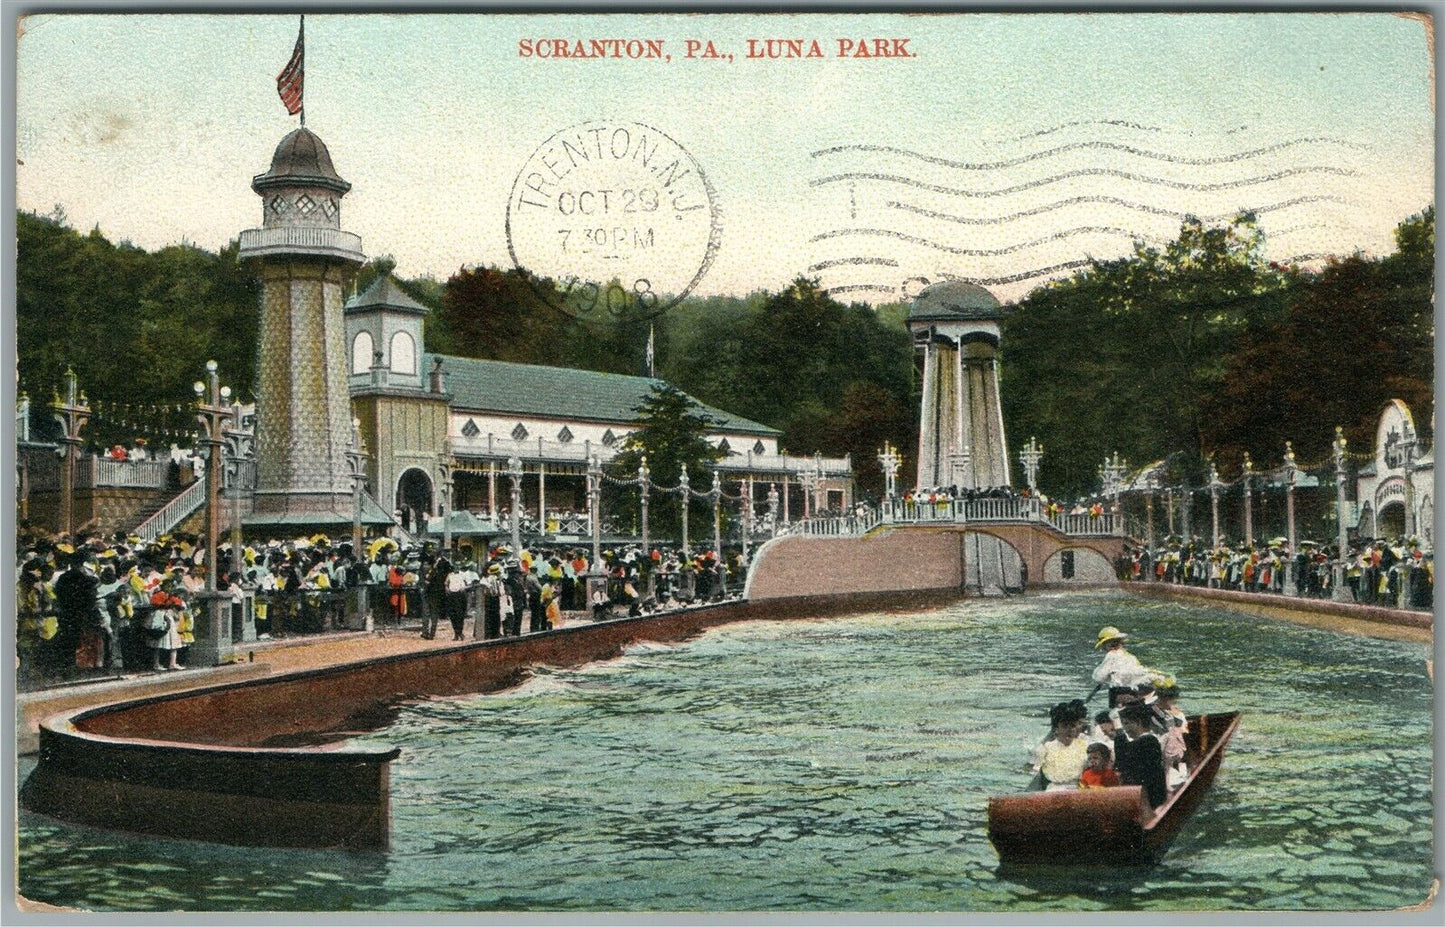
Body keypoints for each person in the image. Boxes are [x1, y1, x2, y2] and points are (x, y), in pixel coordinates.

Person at [1113, 703, 1167, 808]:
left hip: (1148, 795)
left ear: (1138, 722)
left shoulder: (1149, 741)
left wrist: (1119, 737)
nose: (1125, 728)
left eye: (1126, 723)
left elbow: (1122, 762)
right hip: (1142, 792)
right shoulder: (1145, 741)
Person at [1030, 701, 1089, 791]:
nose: (1069, 730)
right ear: (1056, 729)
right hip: (1053, 791)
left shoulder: (1086, 745)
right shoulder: (1044, 749)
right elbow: (1034, 776)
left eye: (1072, 726)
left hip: (1079, 790)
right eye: (1065, 726)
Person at [1092, 626, 1149, 706]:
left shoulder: (1111, 655)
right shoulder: (1131, 657)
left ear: (1106, 645)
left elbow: (1099, 678)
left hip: (1119, 693)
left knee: (1114, 715)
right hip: (1136, 692)